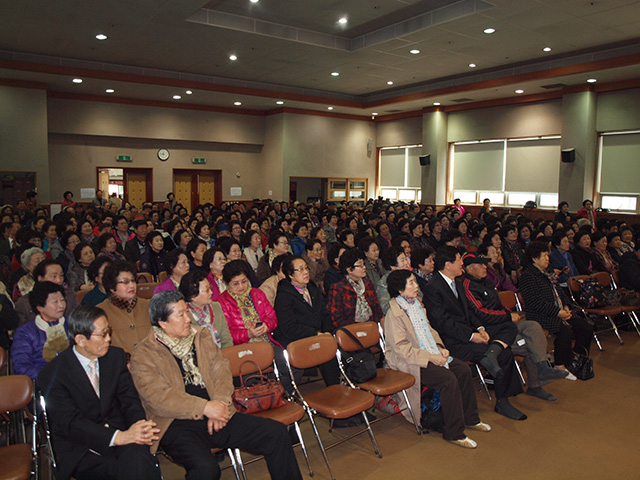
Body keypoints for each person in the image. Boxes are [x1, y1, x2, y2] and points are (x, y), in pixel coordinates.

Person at [129, 291, 302, 480]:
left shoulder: (200, 337)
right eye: (181, 315)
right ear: (162, 323)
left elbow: (221, 371)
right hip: (176, 424)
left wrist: (220, 404)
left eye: (187, 312)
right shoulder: (144, 354)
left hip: (218, 411)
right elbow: (158, 398)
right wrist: (205, 408)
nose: (188, 319)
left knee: (275, 433)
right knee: (206, 469)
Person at [38, 305, 162, 480]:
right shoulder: (53, 375)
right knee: (126, 470)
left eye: (108, 331)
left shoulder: (115, 357)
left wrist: (139, 427)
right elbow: (71, 423)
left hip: (122, 433)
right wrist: (117, 437)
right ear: (81, 340)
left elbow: (129, 400)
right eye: (102, 334)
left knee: (139, 459)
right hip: (82, 446)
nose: (109, 339)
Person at [384, 269, 490, 449]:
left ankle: (470, 418)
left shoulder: (417, 305)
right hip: (411, 361)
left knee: (463, 370)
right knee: (447, 380)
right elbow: (401, 348)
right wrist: (430, 357)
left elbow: (430, 331)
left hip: (429, 353)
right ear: (400, 290)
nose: (416, 286)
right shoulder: (394, 314)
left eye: (415, 282)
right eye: (411, 283)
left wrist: (440, 348)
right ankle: (454, 432)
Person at [423, 246, 527, 421]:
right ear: (448, 264)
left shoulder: (456, 282)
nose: (462, 263)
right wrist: (471, 336)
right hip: (452, 342)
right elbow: (442, 322)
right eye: (458, 260)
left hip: (468, 333)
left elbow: (470, 312)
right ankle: (502, 398)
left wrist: (480, 329)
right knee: (502, 353)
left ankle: (503, 397)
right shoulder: (433, 288)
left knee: (506, 340)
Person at [461, 252, 571, 402]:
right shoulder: (467, 286)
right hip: (491, 329)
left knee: (533, 327)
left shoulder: (487, 282)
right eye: (480, 265)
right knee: (530, 344)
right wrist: (507, 316)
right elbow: (480, 314)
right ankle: (535, 384)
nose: (485, 267)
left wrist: (509, 314)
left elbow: (500, 305)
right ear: (469, 269)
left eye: (485, 264)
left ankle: (543, 367)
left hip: (505, 323)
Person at [519, 241, 593, 375]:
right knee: (565, 331)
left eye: (548, 255)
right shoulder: (528, 276)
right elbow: (536, 302)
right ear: (535, 259)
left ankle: (575, 359)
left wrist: (566, 307)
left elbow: (561, 293)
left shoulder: (548, 272)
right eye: (544, 256)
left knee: (585, 327)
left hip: (559, 311)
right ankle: (560, 365)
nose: (547, 259)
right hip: (541, 315)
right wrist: (559, 313)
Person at [273, 255, 340, 389]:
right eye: (300, 269)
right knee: (324, 346)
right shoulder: (284, 296)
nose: (306, 272)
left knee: (330, 344)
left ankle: (336, 389)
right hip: (296, 340)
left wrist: (326, 331)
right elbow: (289, 328)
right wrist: (316, 334)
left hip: (317, 336)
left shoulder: (312, 288)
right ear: (290, 275)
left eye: (306, 268)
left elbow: (324, 314)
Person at [11, 281, 69, 380]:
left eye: (62, 300)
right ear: (40, 307)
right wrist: (50, 377)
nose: (61, 305)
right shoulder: (25, 333)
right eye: (55, 302)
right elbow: (21, 367)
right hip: (45, 381)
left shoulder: (72, 324)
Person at [217, 260, 279, 346]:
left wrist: (266, 326)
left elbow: (272, 316)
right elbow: (225, 334)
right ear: (227, 284)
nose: (241, 286)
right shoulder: (221, 302)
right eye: (235, 284)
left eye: (244, 281)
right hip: (241, 347)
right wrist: (248, 334)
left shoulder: (257, 294)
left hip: (266, 341)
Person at [97, 260, 151, 356]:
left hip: (151, 362)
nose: (132, 285)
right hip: (119, 366)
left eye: (133, 280)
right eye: (125, 282)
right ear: (112, 287)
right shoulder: (100, 312)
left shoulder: (148, 305)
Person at [326, 247, 383, 328]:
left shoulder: (368, 285)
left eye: (364, 264)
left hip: (371, 327)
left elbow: (377, 310)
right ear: (349, 269)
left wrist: (373, 325)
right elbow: (336, 318)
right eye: (360, 265)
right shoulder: (338, 289)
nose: (364, 267)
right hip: (351, 330)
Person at [15, 259, 79, 326]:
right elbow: (22, 329)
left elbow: (78, 318)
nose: (59, 280)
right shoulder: (25, 302)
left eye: (61, 275)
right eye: (54, 276)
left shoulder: (69, 293)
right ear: (40, 278)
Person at [179, 269, 233, 349]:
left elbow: (226, 339)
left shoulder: (216, 307)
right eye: (207, 290)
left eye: (210, 288)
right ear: (193, 296)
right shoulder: (184, 315)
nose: (211, 292)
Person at [376, 245, 412, 314]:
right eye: (402, 260)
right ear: (392, 266)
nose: (406, 263)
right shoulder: (383, 283)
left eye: (405, 259)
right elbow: (386, 308)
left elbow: (419, 295)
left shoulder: (409, 276)